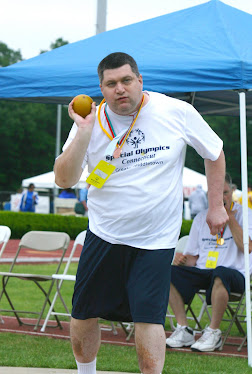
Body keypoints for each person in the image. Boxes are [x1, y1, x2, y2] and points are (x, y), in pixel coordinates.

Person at [54, 52, 228, 374]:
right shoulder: (90, 122)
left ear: (139, 81)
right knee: (83, 314)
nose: (120, 89)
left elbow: (214, 152)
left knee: (149, 317)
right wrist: (82, 131)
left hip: (155, 239)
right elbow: (64, 180)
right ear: (102, 89)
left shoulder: (175, 111)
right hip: (105, 233)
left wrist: (216, 206)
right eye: (111, 84)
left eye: (126, 80)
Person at [166, 173, 252, 352]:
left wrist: (229, 217)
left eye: (226, 193)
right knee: (167, 272)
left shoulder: (246, 214)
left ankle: (213, 332)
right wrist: (182, 259)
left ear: (233, 193)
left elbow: (248, 248)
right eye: (216, 193)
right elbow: (192, 260)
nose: (221, 197)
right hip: (205, 271)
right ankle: (184, 329)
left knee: (220, 272)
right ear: (209, 195)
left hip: (235, 272)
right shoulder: (201, 218)